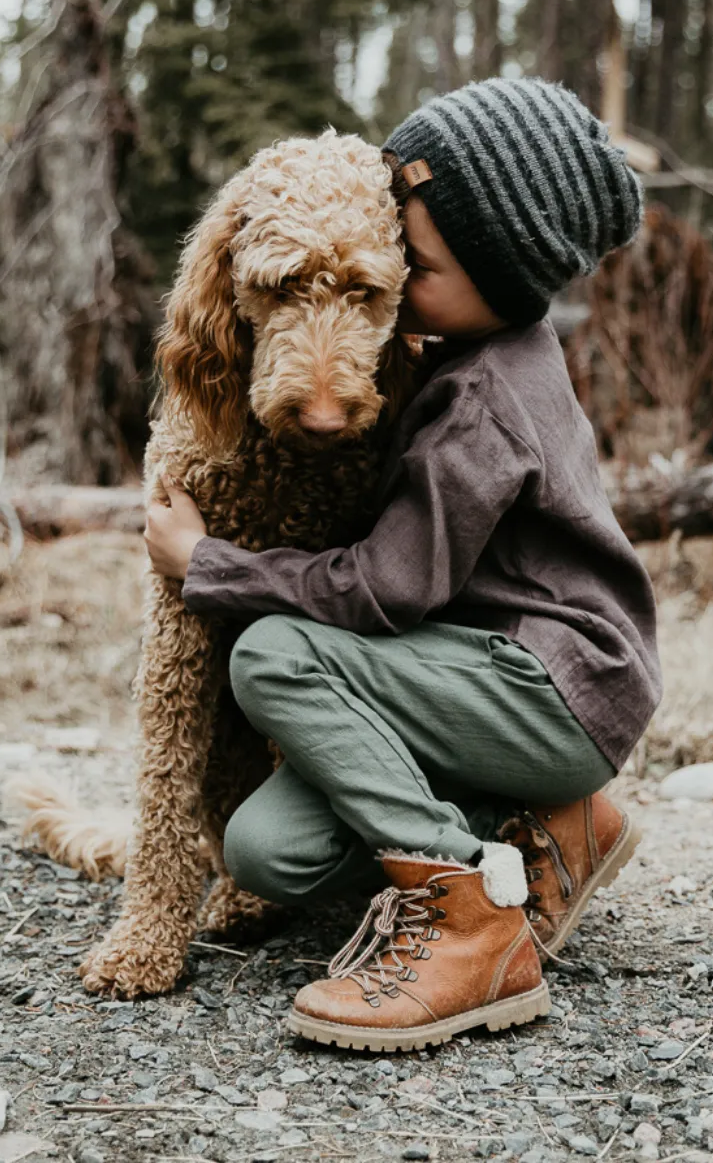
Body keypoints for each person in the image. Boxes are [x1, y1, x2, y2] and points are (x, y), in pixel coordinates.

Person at [144, 77, 662, 1053]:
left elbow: (388, 588)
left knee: (272, 657)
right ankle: (553, 826)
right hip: (469, 677)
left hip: (548, 680)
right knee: (266, 853)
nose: (398, 277)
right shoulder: (470, 343)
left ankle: (469, 918)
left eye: (410, 265)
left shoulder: (479, 401)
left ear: (497, 275)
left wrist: (206, 562)